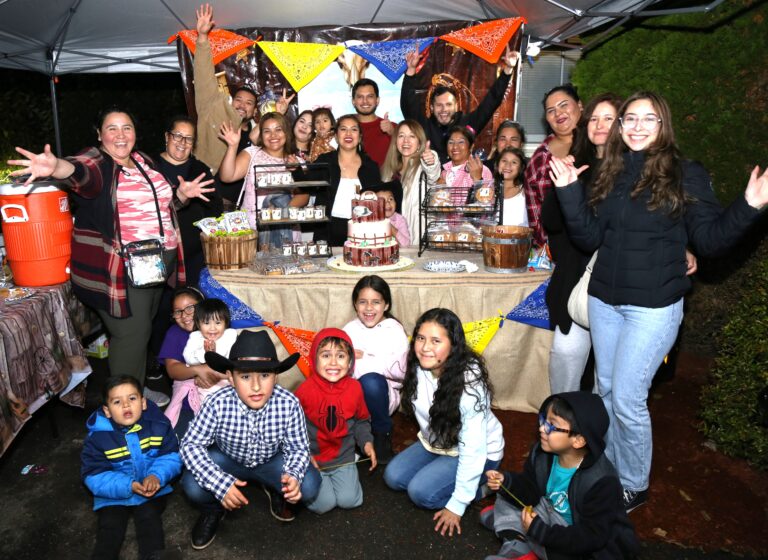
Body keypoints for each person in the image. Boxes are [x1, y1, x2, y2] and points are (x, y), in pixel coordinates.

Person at [549, 91, 768, 512]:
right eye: (630, 118)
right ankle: (607, 466)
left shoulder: (686, 173)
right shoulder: (609, 171)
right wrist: (570, 192)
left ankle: (633, 483)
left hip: (652, 306)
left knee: (628, 398)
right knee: (606, 390)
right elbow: (590, 239)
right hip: (605, 302)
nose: (636, 126)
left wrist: (748, 206)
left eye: (648, 119)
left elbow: (709, 240)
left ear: (663, 126)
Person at [8, 108, 213, 406]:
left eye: (126, 128)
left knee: (141, 332)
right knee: (132, 334)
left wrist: (180, 196)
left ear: (135, 133)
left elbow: (159, 205)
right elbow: (81, 173)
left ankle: (136, 388)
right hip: (121, 270)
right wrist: (56, 167)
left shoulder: (144, 160)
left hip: (156, 266)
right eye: (112, 128)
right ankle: (124, 409)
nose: (120, 135)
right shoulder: (99, 162)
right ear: (99, 135)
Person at [180, 330, 321, 550]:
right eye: (245, 377)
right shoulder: (217, 402)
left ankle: (275, 488)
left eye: (265, 375)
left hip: (270, 461)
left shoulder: (289, 403)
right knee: (191, 484)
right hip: (227, 460)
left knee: (310, 485)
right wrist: (220, 484)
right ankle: (213, 509)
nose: (256, 386)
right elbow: (190, 444)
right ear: (231, 377)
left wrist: (292, 475)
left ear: (276, 376)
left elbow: (298, 447)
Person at [383, 308, 504, 537]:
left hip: (477, 452)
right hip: (437, 442)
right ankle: (442, 473)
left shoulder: (469, 384)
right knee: (393, 477)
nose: (425, 347)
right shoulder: (417, 363)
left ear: (453, 345)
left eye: (436, 340)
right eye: (420, 338)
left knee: (421, 493)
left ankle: (481, 489)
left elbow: (473, 448)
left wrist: (458, 504)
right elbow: (384, 367)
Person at [481, 392, 639, 559]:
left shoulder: (601, 481)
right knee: (506, 494)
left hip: (579, 539)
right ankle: (517, 540)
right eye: (543, 420)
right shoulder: (542, 453)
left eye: (551, 426)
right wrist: (506, 482)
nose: (542, 428)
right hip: (550, 514)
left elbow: (591, 537)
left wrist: (540, 531)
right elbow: (530, 490)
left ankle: (514, 533)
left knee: (569, 552)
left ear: (578, 440)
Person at [542, 93, 622, 394]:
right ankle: (558, 428)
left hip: (617, 284)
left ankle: (594, 435)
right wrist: (563, 185)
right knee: (564, 357)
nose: (600, 125)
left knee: (607, 375)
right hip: (575, 279)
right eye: (594, 120)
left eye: (609, 118)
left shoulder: (633, 170)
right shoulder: (578, 165)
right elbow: (550, 221)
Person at [81, 375, 182, 560]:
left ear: (143, 403)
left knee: (149, 518)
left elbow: (172, 456)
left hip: (152, 489)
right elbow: (93, 475)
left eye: (132, 398)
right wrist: (128, 485)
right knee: (110, 525)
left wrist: (156, 476)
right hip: (113, 494)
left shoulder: (159, 425)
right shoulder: (97, 438)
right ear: (107, 410)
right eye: (117, 401)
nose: (126, 405)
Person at [296, 328, 377, 514]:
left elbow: (362, 420)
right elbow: (292, 429)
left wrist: (366, 442)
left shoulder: (355, 388)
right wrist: (304, 456)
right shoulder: (304, 391)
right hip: (313, 459)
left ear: (350, 362)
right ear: (314, 360)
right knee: (324, 505)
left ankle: (343, 477)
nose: (333, 362)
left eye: (340, 356)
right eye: (325, 355)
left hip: (343, 458)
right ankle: (304, 484)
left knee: (350, 501)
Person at [401, 45, 519, 164]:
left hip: (462, 181)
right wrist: (411, 69)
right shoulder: (423, 126)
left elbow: (491, 101)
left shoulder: (467, 124)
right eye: (439, 105)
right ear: (431, 107)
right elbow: (408, 105)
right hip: (431, 180)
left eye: (448, 104)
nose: (444, 109)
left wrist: (508, 70)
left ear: (456, 106)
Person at [191, 4, 257, 204]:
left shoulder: (255, 136)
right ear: (231, 100)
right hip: (204, 198)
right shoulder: (213, 108)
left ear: (254, 111)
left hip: (240, 208)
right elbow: (204, 77)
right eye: (239, 100)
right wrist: (202, 38)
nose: (242, 106)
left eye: (249, 103)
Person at [342, 275, 408, 463]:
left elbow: (401, 371)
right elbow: (339, 366)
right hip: (352, 397)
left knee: (371, 381)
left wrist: (360, 360)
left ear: (386, 305)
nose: (369, 308)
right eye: (363, 302)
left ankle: (381, 434)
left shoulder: (394, 330)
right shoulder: (349, 329)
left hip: (382, 395)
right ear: (355, 304)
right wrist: (351, 360)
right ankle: (350, 441)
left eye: (376, 302)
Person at [217, 112, 308, 247]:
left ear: (286, 133)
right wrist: (232, 146)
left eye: (278, 130)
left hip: (286, 230)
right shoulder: (251, 154)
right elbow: (227, 176)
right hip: (252, 233)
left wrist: (279, 214)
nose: (273, 136)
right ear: (261, 135)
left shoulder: (297, 162)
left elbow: (304, 196)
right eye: (267, 131)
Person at [156, 115, 223, 288]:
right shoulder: (150, 167)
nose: (182, 142)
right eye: (177, 135)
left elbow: (215, 212)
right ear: (166, 137)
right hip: (158, 255)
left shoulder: (200, 170)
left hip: (194, 257)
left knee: (193, 305)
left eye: (189, 138)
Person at [160, 288, 228, 439]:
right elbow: (172, 369)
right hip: (187, 404)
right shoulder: (175, 333)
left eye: (190, 308)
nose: (185, 316)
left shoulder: (220, 329)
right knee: (180, 442)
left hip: (225, 399)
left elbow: (235, 365)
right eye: (178, 312)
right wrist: (200, 370)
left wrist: (214, 375)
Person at [524, 84, 583, 248]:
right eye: (551, 110)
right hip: (557, 254)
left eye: (564, 105)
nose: (558, 113)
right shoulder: (539, 160)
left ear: (579, 105)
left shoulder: (598, 144)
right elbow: (535, 217)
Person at [310, 114, 382, 245]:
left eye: (354, 129)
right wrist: (295, 171)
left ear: (360, 137)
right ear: (336, 137)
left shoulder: (371, 166)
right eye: (343, 129)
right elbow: (305, 183)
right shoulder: (323, 162)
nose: (348, 133)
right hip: (328, 231)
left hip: (363, 231)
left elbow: (376, 203)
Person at [381, 119, 441, 244]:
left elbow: (433, 173)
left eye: (412, 136)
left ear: (419, 143)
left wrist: (431, 161)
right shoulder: (389, 171)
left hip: (417, 238)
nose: (406, 141)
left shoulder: (422, 166)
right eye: (401, 136)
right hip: (392, 239)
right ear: (395, 141)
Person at [181, 298, 236, 397]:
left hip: (229, 382)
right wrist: (204, 353)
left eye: (218, 323)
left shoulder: (230, 334)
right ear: (198, 323)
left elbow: (224, 356)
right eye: (206, 323)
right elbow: (188, 358)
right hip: (206, 385)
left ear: (226, 323)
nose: (212, 328)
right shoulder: (195, 337)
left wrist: (211, 354)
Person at [441, 125, 493, 206]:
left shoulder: (481, 170)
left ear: (471, 147)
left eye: (461, 142)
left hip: (470, 219)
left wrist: (478, 180)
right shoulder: (444, 173)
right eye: (451, 142)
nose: (455, 147)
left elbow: (487, 203)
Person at [351, 78, 394, 167]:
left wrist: (393, 133)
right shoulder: (343, 127)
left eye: (370, 96)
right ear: (353, 101)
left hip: (383, 180)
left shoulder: (392, 128)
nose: (365, 101)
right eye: (360, 97)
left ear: (377, 101)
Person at [495, 147, 528, 227]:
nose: (507, 165)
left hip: (518, 238)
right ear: (497, 164)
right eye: (504, 161)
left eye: (514, 162)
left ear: (521, 168)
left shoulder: (525, 191)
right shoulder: (489, 190)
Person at [372, 182, 410, 246]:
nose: (387, 203)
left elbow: (406, 244)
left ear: (395, 202)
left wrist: (391, 228)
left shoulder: (400, 220)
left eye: (390, 199)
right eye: (382, 201)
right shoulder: (370, 220)